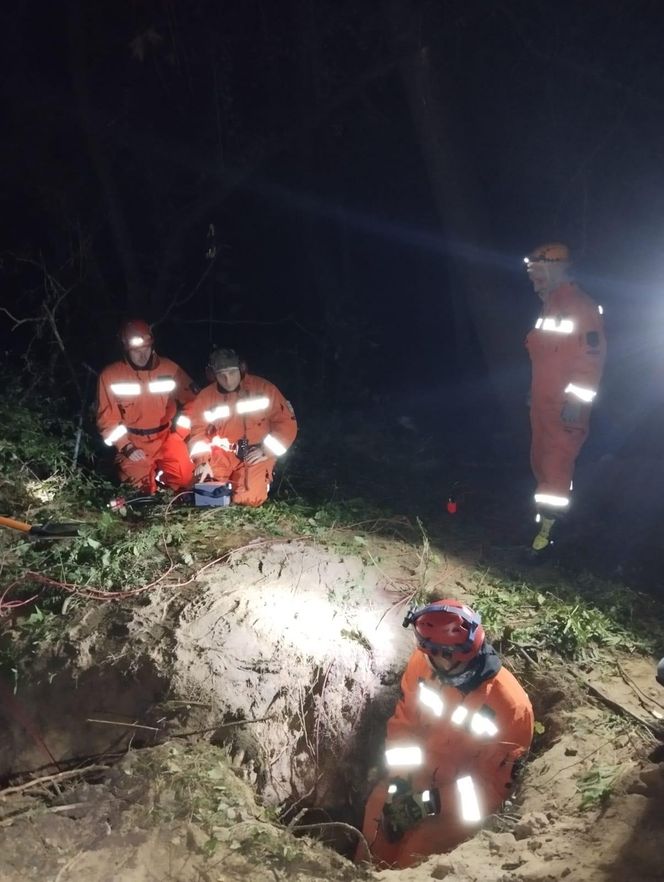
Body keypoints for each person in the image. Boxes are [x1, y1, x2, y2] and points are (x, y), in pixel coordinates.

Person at [359, 599, 533, 869]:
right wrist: (399, 783)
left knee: (417, 852)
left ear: (460, 653)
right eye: (428, 652)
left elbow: (492, 787)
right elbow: (403, 727)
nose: (431, 661)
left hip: (458, 809)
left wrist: (429, 803)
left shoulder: (510, 706)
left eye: (439, 655)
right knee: (376, 818)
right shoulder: (422, 664)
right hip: (415, 782)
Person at [524, 243, 607, 553]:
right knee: (542, 463)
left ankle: (547, 538)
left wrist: (576, 401)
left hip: (566, 408)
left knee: (556, 467)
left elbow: (591, 359)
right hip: (544, 404)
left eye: (539, 268)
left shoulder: (581, 307)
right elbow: (545, 358)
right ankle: (544, 523)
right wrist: (533, 394)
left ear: (558, 267)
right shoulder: (551, 307)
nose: (534, 276)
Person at [183, 347, 297, 506]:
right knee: (203, 495)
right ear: (213, 375)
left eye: (231, 373)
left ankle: (259, 483)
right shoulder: (206, 397)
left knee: (247, 500)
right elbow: (197, 432)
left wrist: (265, 450)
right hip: (221, 455)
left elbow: (286, 423)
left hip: (254, 454)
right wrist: (202, 461)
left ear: (241, 369)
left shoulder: (264, 389)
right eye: (221, 375)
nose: (227, 380)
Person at [96, 319, 197, 494]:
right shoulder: (110, 376)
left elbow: (194, 401)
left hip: (166, 437)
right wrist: (126, 446)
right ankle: (149, 481)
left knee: (187, 481)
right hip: (134, 441)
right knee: (138, 492)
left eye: (146, 348)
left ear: (152, 346)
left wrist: (179, 433)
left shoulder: (170, 369)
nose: (142, 355)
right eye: (136, 350)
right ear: (126, 349)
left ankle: (163, 480)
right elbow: (107, 420)